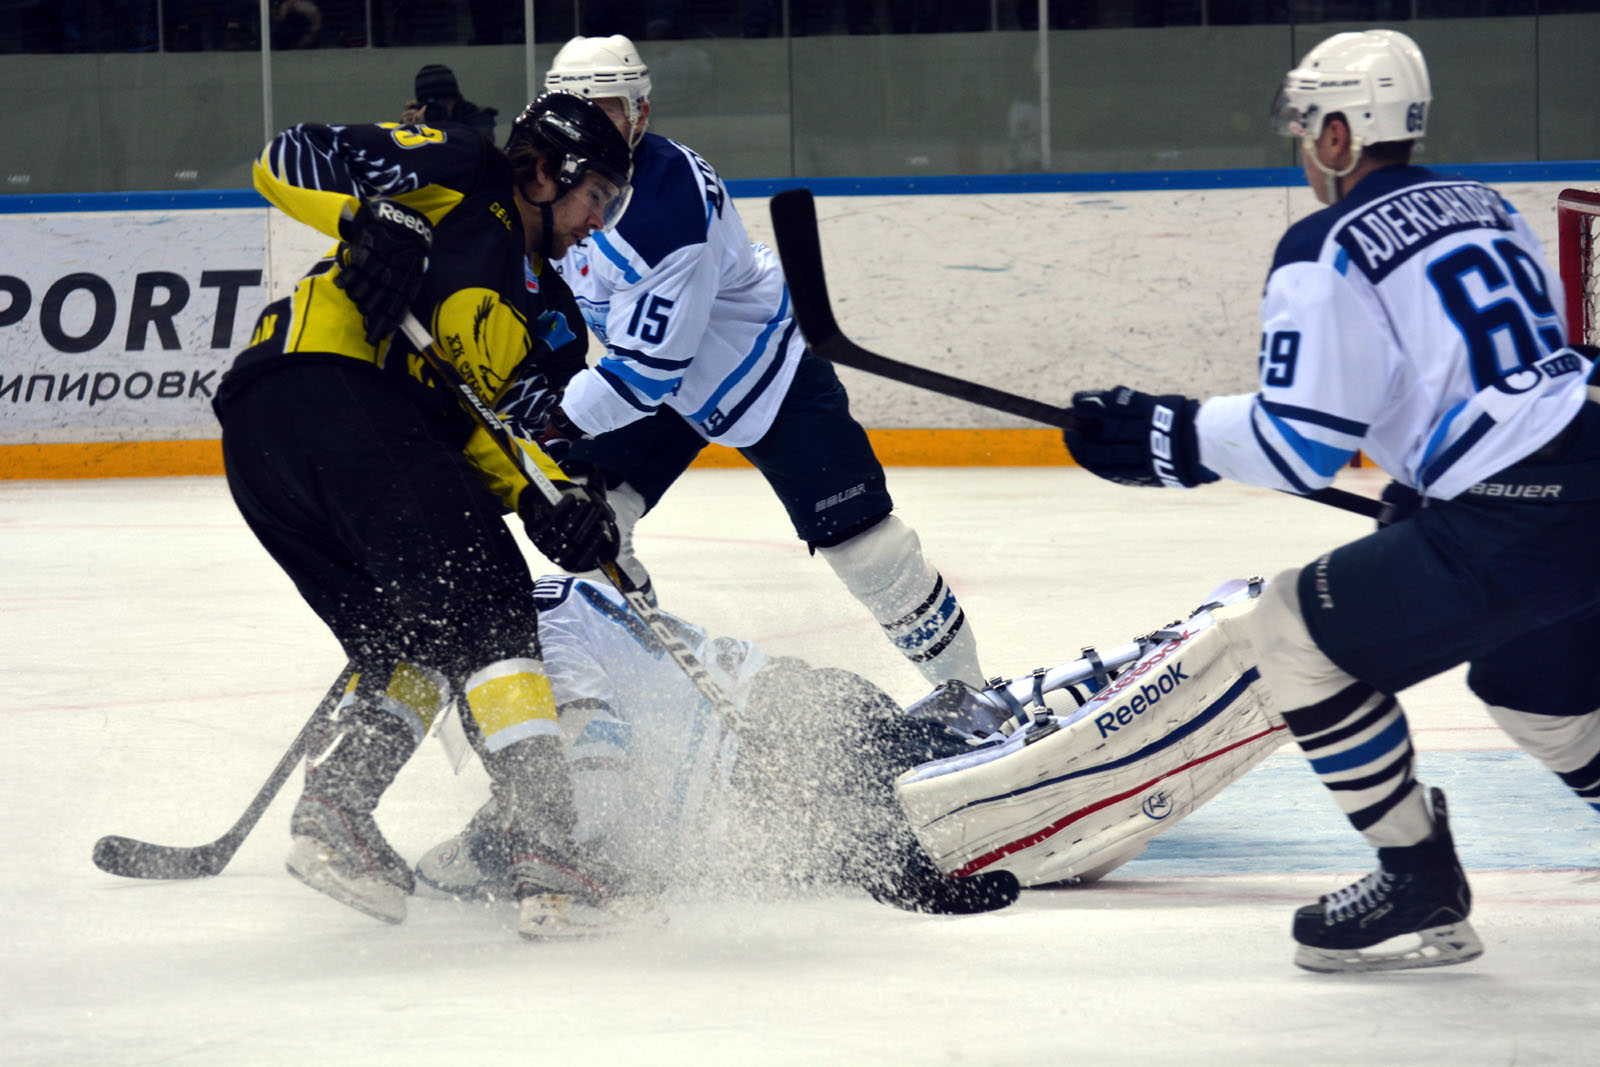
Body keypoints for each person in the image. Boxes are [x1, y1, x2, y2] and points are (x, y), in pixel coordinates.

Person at [1058, 29, 1600, 973]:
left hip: (1522, 512)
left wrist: (1169, 435)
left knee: (1288, 633)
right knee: (1538, 694)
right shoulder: (1487, 205)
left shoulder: (1327, 243)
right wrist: (1423, 490)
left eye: (1311, 126)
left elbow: (1301, 441)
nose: (1304, 145)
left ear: (1344, 135)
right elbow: (1499, 374)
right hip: (1582, 461)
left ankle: (1416, 879)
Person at [213, 91, 645, 940]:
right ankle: (547, 847)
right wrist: (367, 220)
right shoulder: (463, 170)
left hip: (280, 449)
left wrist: (547, 500)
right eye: (598, 195)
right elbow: (287, 155)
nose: (601, 221)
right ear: (550, 170)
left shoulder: (551, 324)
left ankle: (337, 812)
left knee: (418, 635)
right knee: (489, 598)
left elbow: (485, 435)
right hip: (324, 386)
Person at [534, 35, 987, 691]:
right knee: (589, 522)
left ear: (640, 114)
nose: (584, 127)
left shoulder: (664, 209)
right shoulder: (552, 190)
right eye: (569, 109)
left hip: (764, 376)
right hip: (663, 385)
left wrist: (548, 424)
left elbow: (642, 376)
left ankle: (973, 698)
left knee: (868, 551)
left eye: (602, 109)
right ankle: (660, 699)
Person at [414, 574, 1285, 916]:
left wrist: (504, 852)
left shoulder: (530, 647)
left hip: (776, 753)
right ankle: (1081, 690)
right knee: (929, 743)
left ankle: (983, 756)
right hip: (794, 703)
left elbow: (592, 781)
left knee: (917, 785)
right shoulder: (545, 601)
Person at [400, 63, 498, 144]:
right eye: (430, 104)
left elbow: (481, 148)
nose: (437, 109)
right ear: (420, 105)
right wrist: (407, 129)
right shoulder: (415, 120)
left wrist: (433, 130)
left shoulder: (475, 117)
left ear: (456, 100)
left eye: (444, 102)